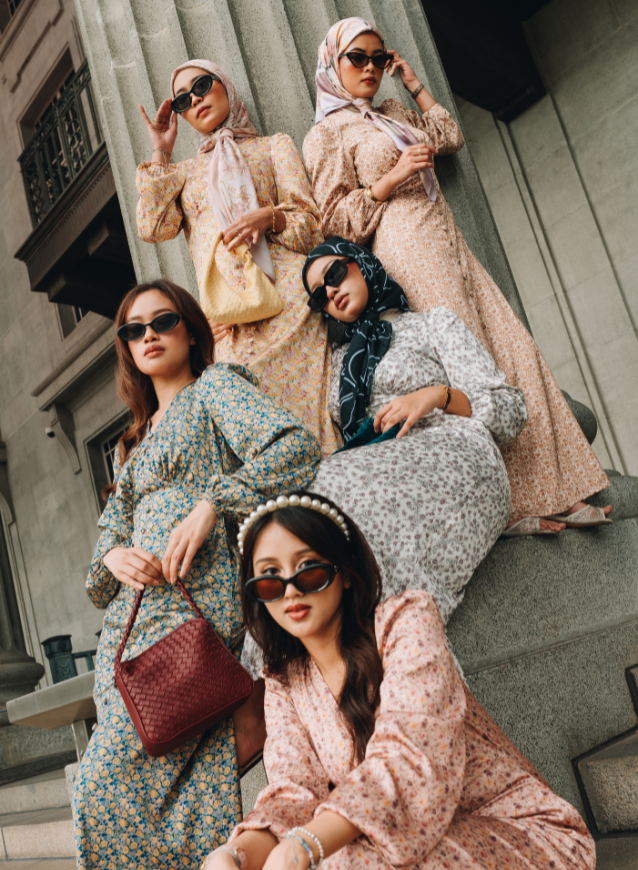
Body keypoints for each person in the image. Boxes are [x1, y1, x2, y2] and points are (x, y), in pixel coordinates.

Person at [302, 17, 611, 534]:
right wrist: (392, 178)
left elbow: (449, 135)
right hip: (406, 243)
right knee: (469, 364)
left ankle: (558, 486)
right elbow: (335, 222)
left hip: (447, 239)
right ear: (332, 65)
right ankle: (512, 504)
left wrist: (413, 84)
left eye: (379, 58)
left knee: (507, 349)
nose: (370, 68)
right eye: (357, 58)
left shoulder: (392, 111)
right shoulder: (326, 134)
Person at [201, 495, 595, 870]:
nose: (290, 590)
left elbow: (407, 755)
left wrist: (304, 845)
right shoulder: (284, 684)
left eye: (309, 569)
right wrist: (235, 855)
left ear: (345, 573)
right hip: (402, 851)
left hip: (521, 833)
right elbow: (293, 794)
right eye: (270, 578)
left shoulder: (406, 622)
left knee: (343, 857)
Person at [73, 279, 320, 870]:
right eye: (134, 330)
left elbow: (295, 447)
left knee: (98, 788)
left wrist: (213, 503)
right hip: (126, 635)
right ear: (126, 348)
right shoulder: (131, 446)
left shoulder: (215, 389)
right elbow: (97, 575)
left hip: (190, 609)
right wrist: (113, 557)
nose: (149, 335)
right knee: (146, 784)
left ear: (189, 329)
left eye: (163, 321)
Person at [304, 237, 526, 622]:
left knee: (326, 485)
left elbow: (511, 411)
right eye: (319, 296)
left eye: (335, 273)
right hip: (382, 474)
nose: (332, 291)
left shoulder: (431, 325)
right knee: (306, 505)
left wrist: (435, 396)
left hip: (454, 451)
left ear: (362, 263)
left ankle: (403, 624)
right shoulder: (339, 365)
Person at [136, 60, 340, 455]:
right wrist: (161, 151)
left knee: (316, 432)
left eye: (201, 85)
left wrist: (270, 217)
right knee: (262, 445)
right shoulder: (183, 173)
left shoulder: (273, 146)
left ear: (225, 85)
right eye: (182, 100)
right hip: (228, 324)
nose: (195, 99)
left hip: (290, 307)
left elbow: (313, 229)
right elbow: (151, 226)